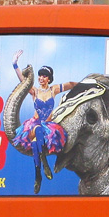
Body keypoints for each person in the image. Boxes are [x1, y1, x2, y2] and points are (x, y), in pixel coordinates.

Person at [11, 49, 77, 193]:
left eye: (43, 76)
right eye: (40, 76)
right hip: (34, 125)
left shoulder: (53, 90)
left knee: (35, 144)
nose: (40, 78)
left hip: (49, 127)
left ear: (49, 78)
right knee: (38, 130)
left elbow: (71, 84)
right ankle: (45, 162)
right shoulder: (34, 91)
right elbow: (23, 80)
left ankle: (38, 177)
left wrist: (87, 84)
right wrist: (15, 64)